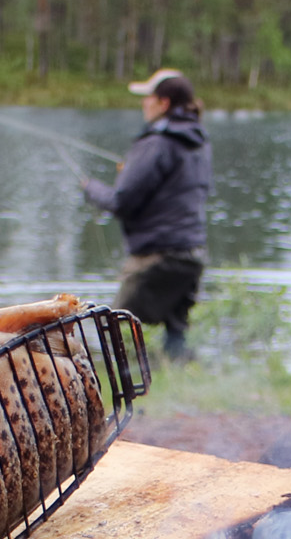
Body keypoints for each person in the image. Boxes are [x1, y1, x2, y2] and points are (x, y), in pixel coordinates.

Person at [83, 68, 212, 359]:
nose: (144, 103)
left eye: (148, 98)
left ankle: (136, 394)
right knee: (175, 340)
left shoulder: (155, 142)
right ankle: (181, 388)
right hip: (191, 256)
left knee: (115, 336)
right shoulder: (199, 141)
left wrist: (91, 189)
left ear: (163, 103)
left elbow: (121, 202)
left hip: (156, 259)